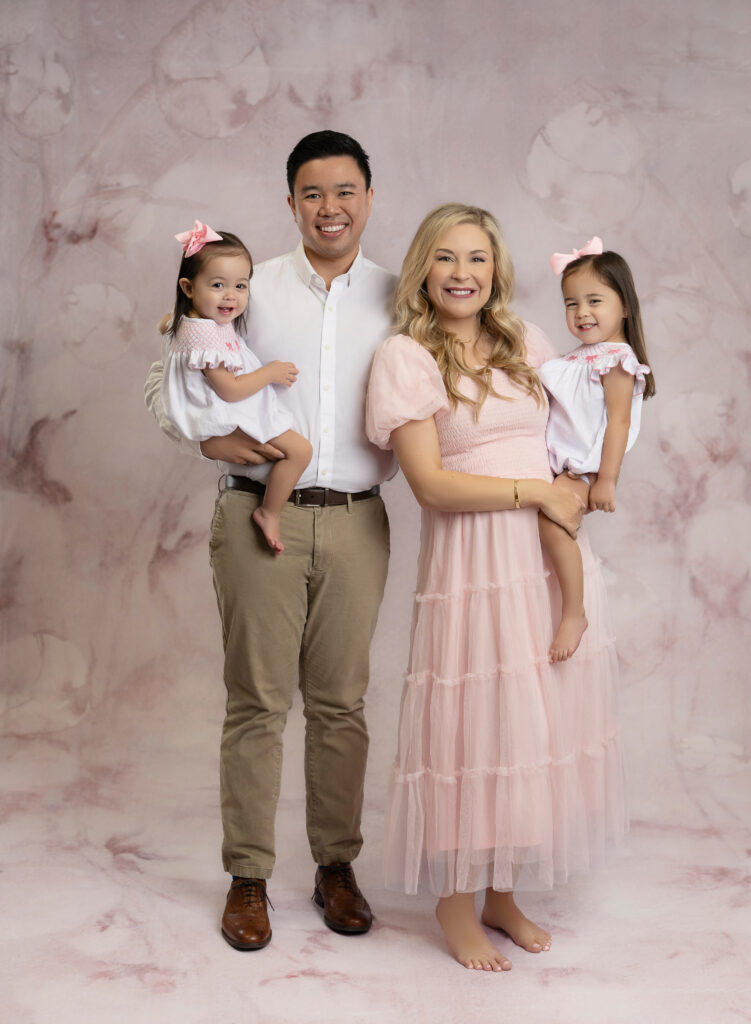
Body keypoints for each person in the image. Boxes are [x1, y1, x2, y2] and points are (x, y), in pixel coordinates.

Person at [144, 132, 396, 950]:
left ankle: (336, 866)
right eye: (312, 193)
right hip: (257, 511)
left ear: (368, 197)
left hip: (357, 519)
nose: (330, 208)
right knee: (256, 701)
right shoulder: (247, 284)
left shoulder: (400, 295)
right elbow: (165, 379)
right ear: (291, 202)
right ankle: (247, 877)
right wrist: (209, 443)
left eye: (345, 190)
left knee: (340, 704)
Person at [366, 203, 626, 972]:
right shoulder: (406, 357)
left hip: (543, 557)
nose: (462, 274)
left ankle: (501, 892)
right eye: (445, 258)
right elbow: (429, 484)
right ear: (423, 268)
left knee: (530, 724)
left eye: (476, 258)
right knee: (471, 724)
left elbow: (572, 431)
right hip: (473, 562)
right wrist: (531, 493)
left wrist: (576, 483)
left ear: (495, 270)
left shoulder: (525, 342)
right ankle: (454, 900)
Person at [161, 221, 311, 552]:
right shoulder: (207, 336)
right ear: (188, 288)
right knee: (300, 451)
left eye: (241, 285)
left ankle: (269, 510)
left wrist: (172, 321)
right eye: (218, 285)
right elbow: (229, 390)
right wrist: (270, 372)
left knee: (293, 450)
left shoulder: (198, 320)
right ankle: (269, 512)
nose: (231, 295)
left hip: (229, 403)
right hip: (230, 409)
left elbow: (168, 323)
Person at [538, 239, 654, 661]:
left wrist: (606, 480)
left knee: (552, 525)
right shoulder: (582, 357)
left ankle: (574, 613)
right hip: (559, 467)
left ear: (624, 306)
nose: (581, 312)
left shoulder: (617, 359)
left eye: (594, 301)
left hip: (583, 470)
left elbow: (618, 423)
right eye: (571, 303)